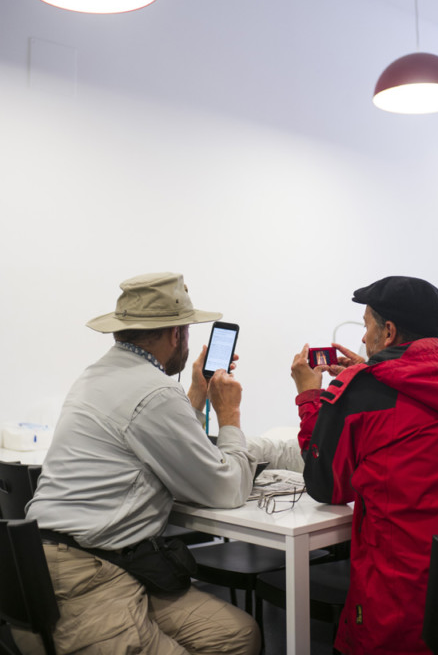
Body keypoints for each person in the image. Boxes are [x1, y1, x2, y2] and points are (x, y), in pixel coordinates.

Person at [19, 272, 261, 655]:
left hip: (63, 566)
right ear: (175, 334)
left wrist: (195, 395)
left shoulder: (98, 374)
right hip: (89, 583)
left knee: (237, 634)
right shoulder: (154, 390)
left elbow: (161, 439)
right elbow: (226, 490)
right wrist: (229, 416)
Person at [291, 275, 438, 655]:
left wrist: (311, 397)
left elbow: (326, 486)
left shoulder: (360, 393)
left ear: (387, 332)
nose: (363, 336)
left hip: (403, 606)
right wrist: (367, 375)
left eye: (368, 324)